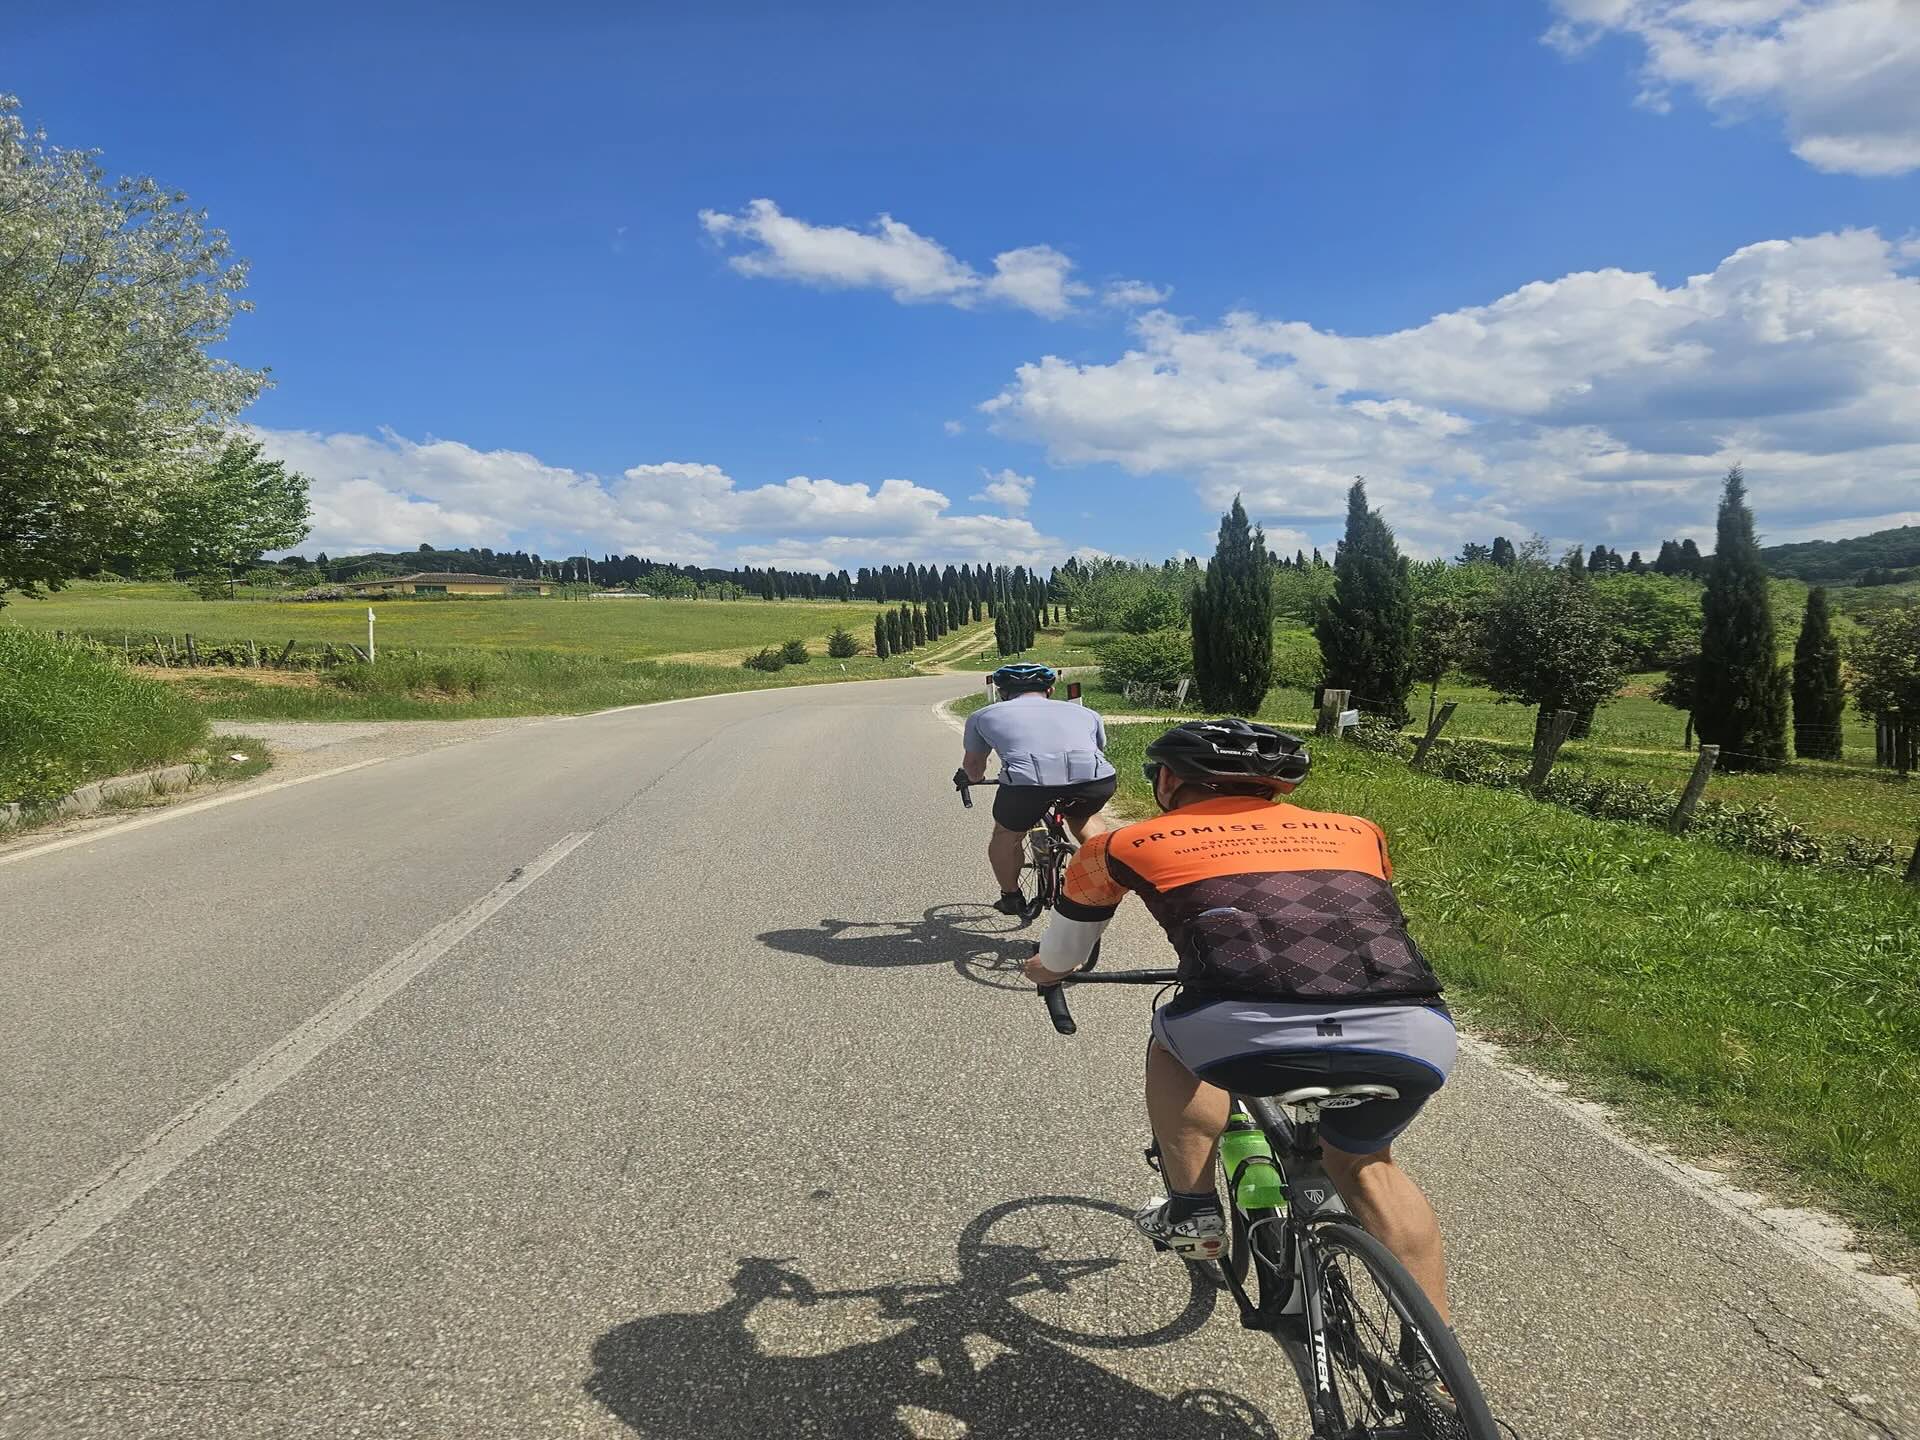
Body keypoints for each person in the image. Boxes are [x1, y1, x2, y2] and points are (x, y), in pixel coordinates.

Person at [1023, 718, 1457, 1324]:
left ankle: (1193, 1209)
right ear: (1277, 787)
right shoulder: (1360, 831)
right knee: (1366, 1165)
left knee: (1170, 1040)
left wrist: (1043, 973)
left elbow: (1066, 954)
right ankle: (1432, 1368)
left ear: (1169, 780)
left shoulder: (1123, 845)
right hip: (1412, 1029)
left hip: (1245, 1031)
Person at [957, 663, 1117, 917]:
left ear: (1002, 692)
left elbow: (974, 767)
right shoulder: (1086, 713)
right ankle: (1106, 875)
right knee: (1084, 817)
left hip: (1027, 784)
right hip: (1094, 779)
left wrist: (971, 778)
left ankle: (1011, 897)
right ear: (1050, 689)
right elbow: (1096, 749)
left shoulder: (982, 716)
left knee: (1007, 835)